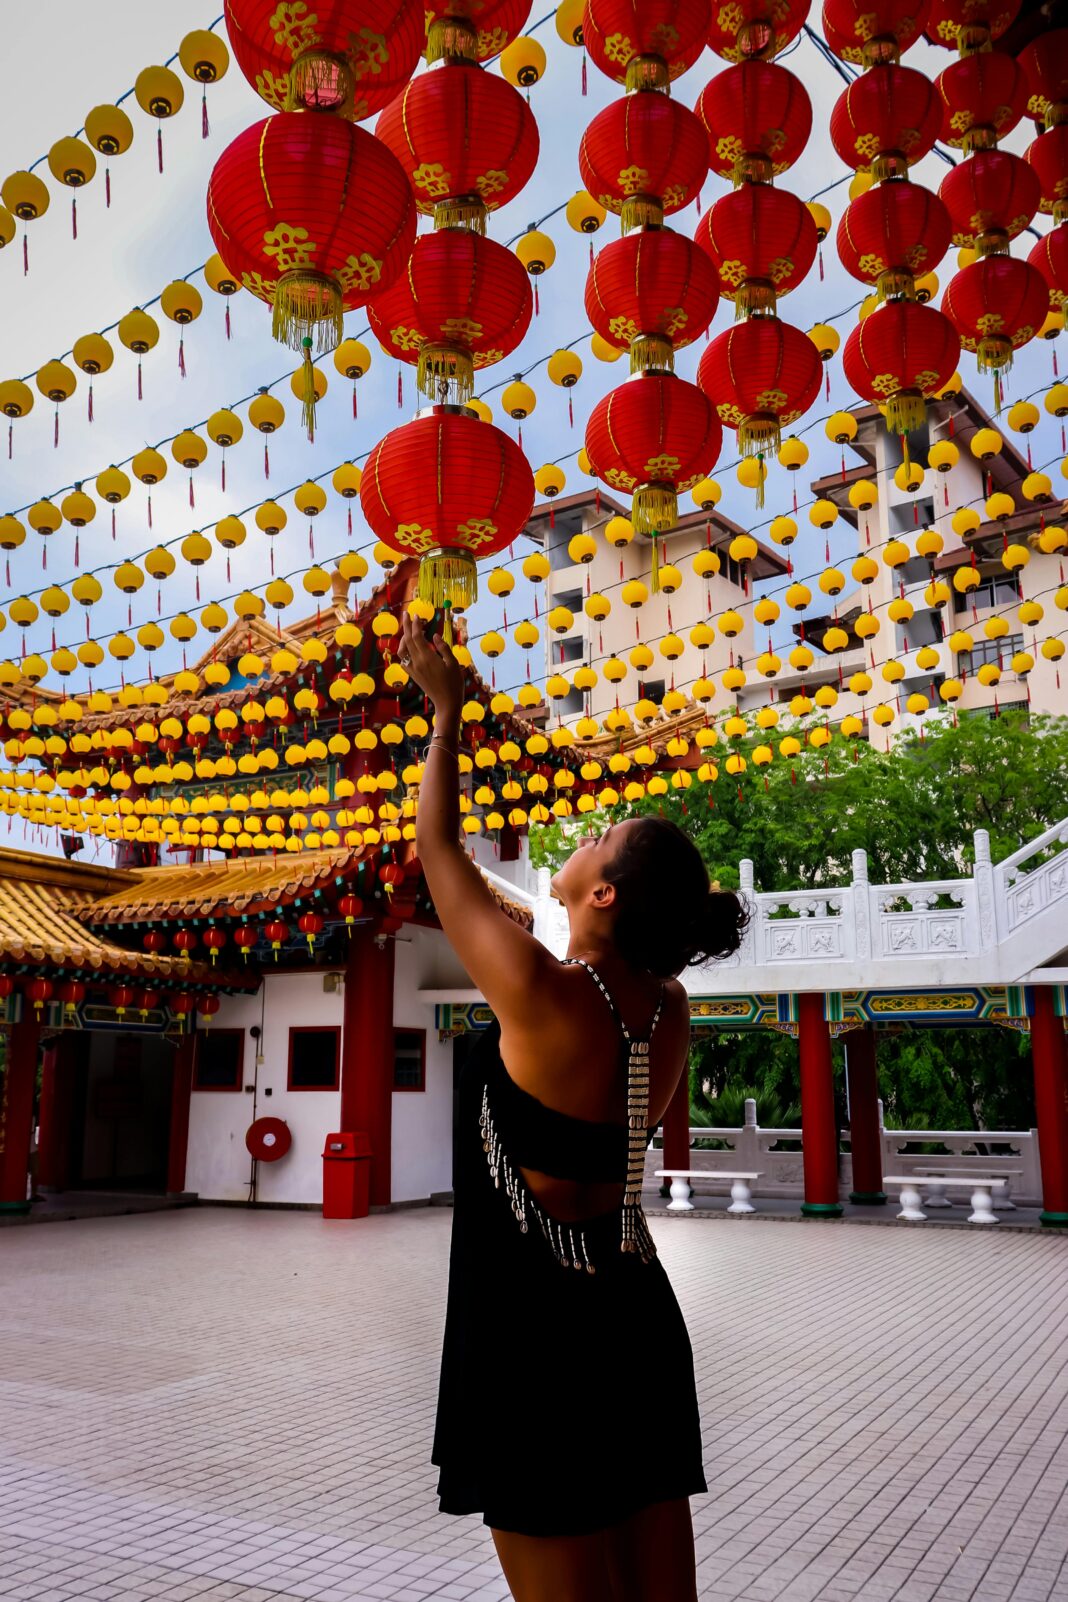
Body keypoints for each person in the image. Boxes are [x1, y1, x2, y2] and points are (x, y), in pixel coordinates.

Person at [400, 608, 748, 1602]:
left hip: (536, 1334)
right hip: (631, 1312)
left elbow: (437, 851)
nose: (582, 839)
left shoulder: (543, 992)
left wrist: (446, 715)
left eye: (598, 841)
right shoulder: (668, 1008)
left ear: (603, 896)